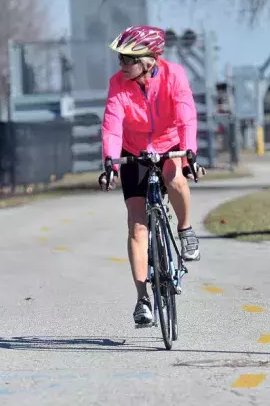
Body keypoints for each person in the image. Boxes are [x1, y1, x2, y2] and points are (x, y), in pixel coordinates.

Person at [97, 25, 204, 326]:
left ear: (147, 60)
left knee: (175, 179)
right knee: (137, 226)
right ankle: (143, 298)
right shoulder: (118, 84)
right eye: (120, 59)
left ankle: (185, 231)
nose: (121, 64)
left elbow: (186, 116)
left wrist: (190, 152)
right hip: (134, 150)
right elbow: (112, 124)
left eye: (127, 59)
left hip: (169, 144)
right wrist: (110, 163)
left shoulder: (174, 75)